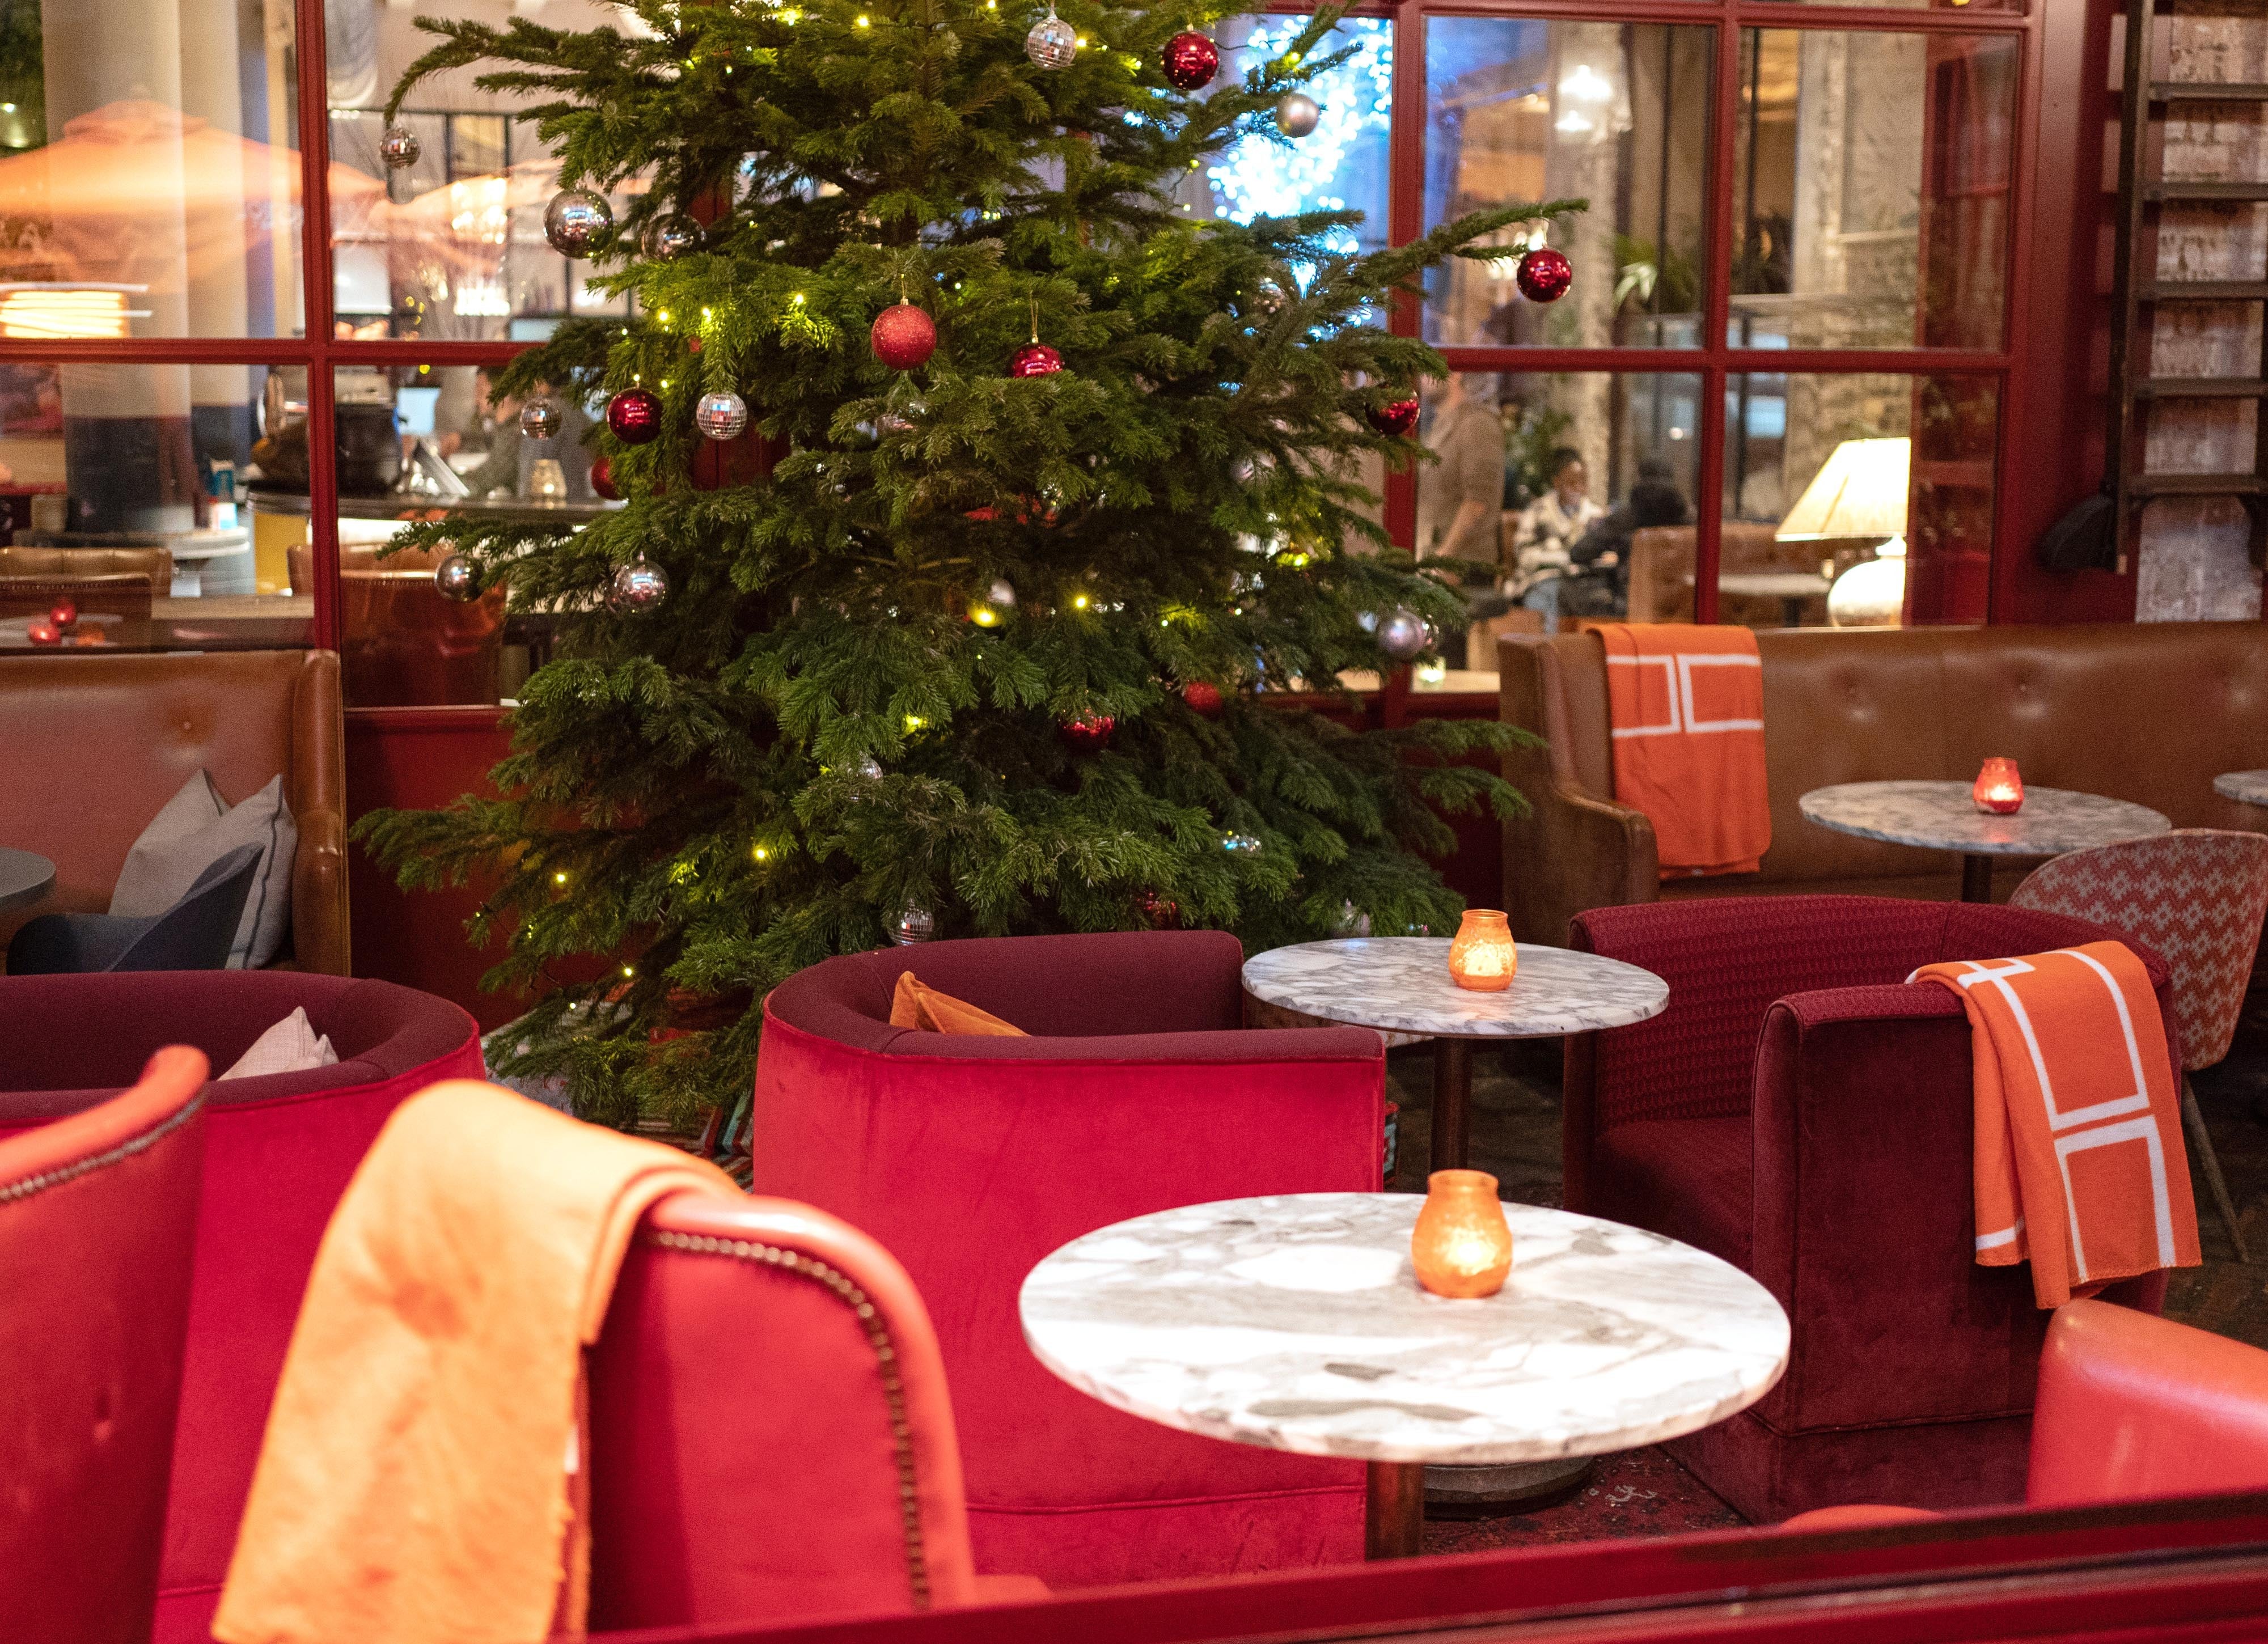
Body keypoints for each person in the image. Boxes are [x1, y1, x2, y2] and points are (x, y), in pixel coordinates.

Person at [1561, 457, 1691, 617]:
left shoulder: (1626, 516)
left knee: (1567, 588)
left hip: (1630, 606)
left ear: (1640, 478)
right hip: (1683, 606)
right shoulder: (1690, 518)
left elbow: (1579, 552)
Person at [1507, 447, 1605, 631]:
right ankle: (1547, 655)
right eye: (1572, 483)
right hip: (1543, 580)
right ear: (1557, 482)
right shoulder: (1537, 512)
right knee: (1545, 600)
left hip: (1584, 583)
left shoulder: (1596, 516)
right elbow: (1524, 555)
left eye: (1583, 483)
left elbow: (1606, 556)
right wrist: (1566, 559)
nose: (1579, 489)